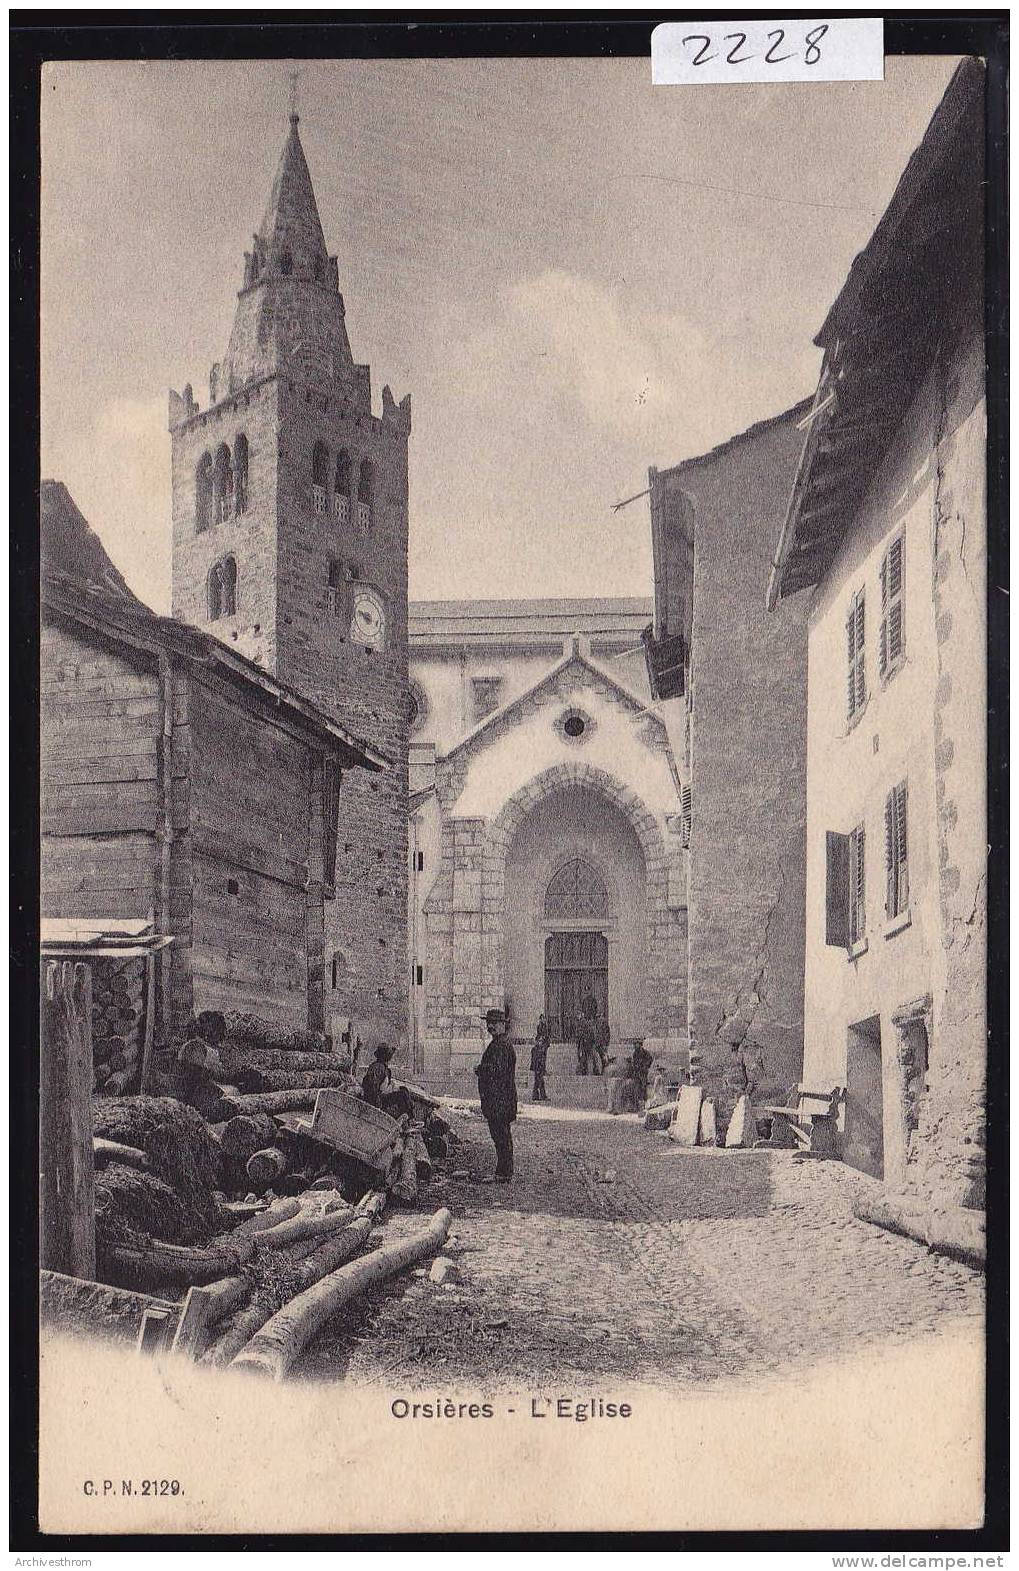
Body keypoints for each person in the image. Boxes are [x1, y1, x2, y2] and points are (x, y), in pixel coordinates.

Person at [475, 1008, 517, 1182]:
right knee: (501, 1135)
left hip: (500, 1100)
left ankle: (503, 1173)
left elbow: (497, 1071)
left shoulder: (501, 1046)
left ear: (502, 1025)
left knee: (501, 1136)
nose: (490, 1026)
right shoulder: (500, 1043)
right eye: (488, 1023)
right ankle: (504, 1171)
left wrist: (481, 1070)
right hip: (500, 1099)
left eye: (494, 1023)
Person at [530, 1014, 550, 1102]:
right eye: (540, 1041)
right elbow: (535, 1059)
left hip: (538, 1068)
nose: (540, 1042)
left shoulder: (538, 1049)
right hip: (538, 1068)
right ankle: (541, 1096)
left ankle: (536, 1096)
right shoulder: (536, 1049)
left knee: (538, 1082)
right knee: (539, 1081)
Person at [631, 1039, 653, 1108]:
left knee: (643, 1087)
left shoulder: (645, 1052)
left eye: (636, 1044)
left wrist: (645, 1066)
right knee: (636, 1088)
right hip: (637, 1073)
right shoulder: (635, 1053)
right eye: (634, 1044)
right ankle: (637, 1104)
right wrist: (635, 1067)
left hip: (643, 1073)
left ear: (640, 1045)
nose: (635, 1046)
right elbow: (634, 1062)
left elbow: (650, 1059)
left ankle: (645, 1104)